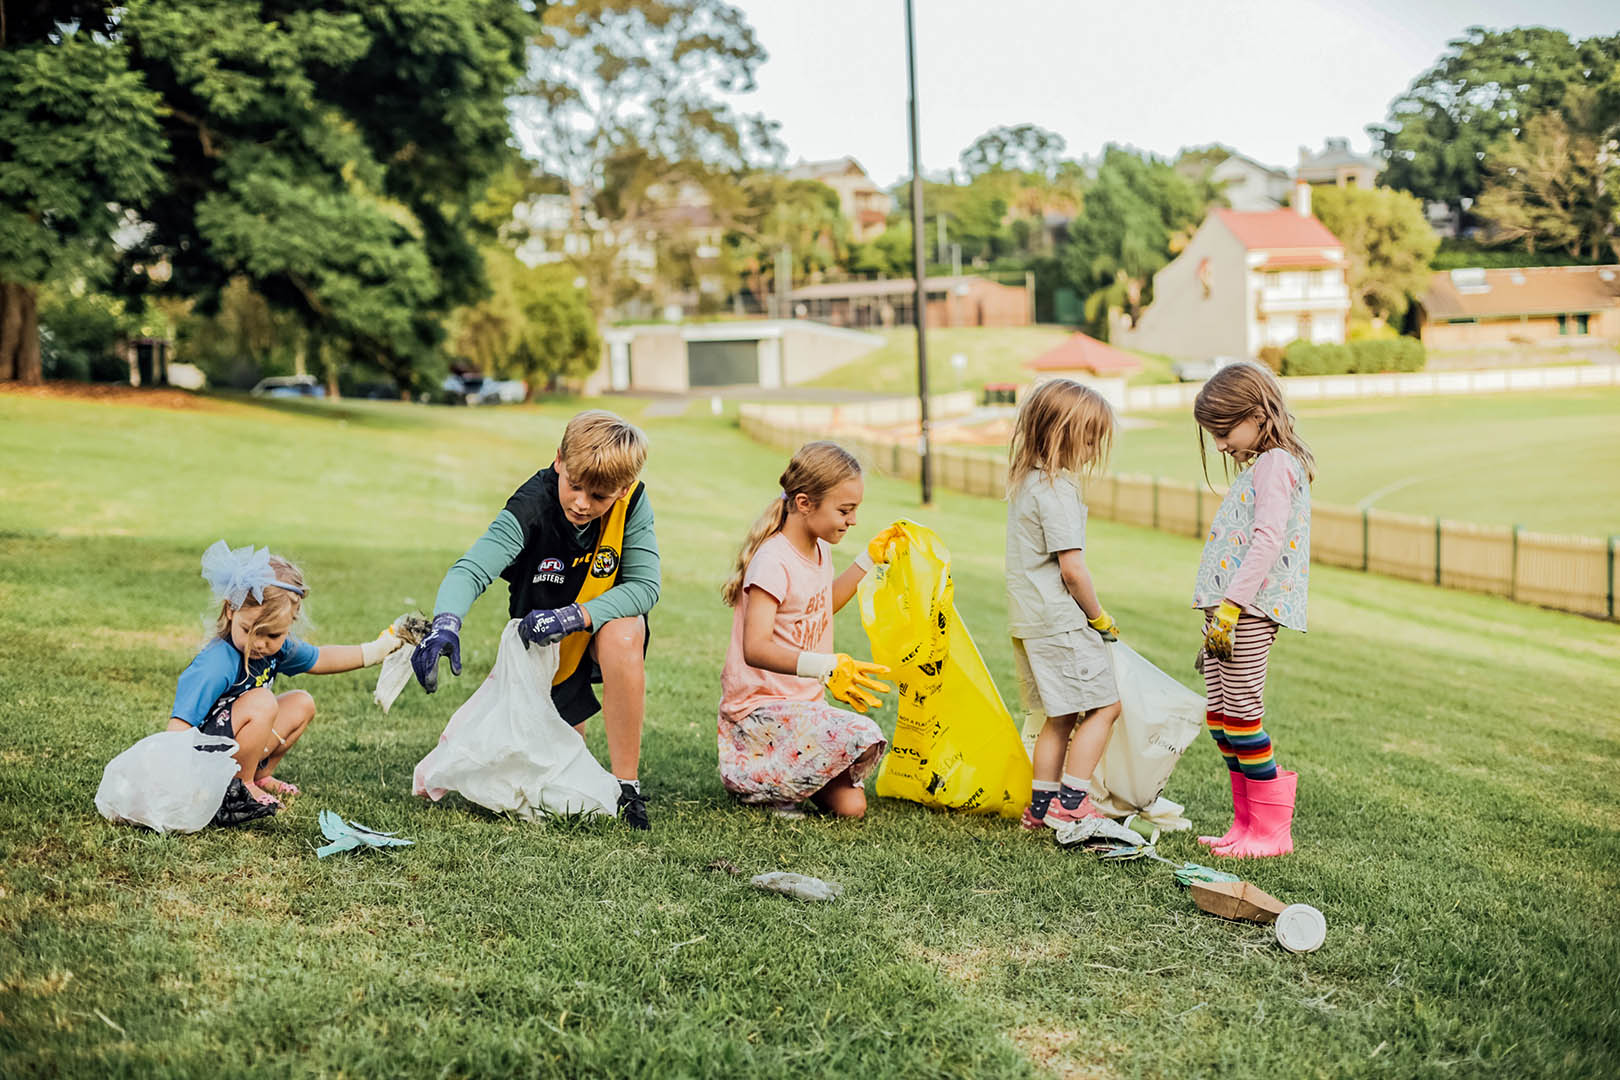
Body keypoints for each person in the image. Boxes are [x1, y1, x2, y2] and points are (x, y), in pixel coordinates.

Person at [412, 410, 660, 829]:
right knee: (553, 779)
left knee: (623, 631)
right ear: (559, 460)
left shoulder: (632, 502)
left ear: (622, 489)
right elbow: (471, 569)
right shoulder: (531, 504)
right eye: (575, 486)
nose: (582, 503)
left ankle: (627, 787)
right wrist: (446, 622)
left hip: (591, 628)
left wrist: (575, 615)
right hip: (542, 647)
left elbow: (645, 587)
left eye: (599, 496)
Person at [716, 442, 901, 818]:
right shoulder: (772, 562)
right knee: (865, 733)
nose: (852, 521)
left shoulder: (820, 550)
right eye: (845, 510)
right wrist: (825, 667)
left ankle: (783, 783)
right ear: (804, 503)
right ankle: (761, 778)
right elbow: (756, 647)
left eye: (855, 511)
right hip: (760, 713)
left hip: (800, 710)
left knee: (852, 807)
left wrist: (867, 559)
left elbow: (818, 606)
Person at [168, 541, 405, 807]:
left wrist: (378, 650)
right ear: (230, 611)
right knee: (262, 702)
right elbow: (181, 723)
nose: (260, 643)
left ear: (290, 623)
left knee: (301, 702)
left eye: (273, 635)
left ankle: (259, 775)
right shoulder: (216, 663)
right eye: (249, 630)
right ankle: (240, 785)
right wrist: (172, 778)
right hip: (205, 758)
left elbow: (322, 658)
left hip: (235, 742)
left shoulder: (276, 649)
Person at [1190, 361, 1313, 859]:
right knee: (1220, 717)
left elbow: (1266, 540)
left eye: (1225, 431)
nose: (1220, 444)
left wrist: (1232, 608)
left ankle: (1270, 832)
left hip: (1247, 610)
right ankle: (1245, 825)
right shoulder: (1257, 467)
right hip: (1227, 611)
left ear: (1259, 413)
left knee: (1242, 714)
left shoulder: (1277, 463)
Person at [1004, 379, 1124, 831]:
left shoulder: (1027, 485)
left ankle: (1038, 809)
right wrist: (1098, 617)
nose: (1094, 447)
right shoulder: (1056, 490)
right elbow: (1072, 569)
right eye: (1089, 437)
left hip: (1032, 620)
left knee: (1060, 715)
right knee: (1105, 706)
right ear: (1061, 434)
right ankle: (1072, 802)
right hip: (1061, 621)